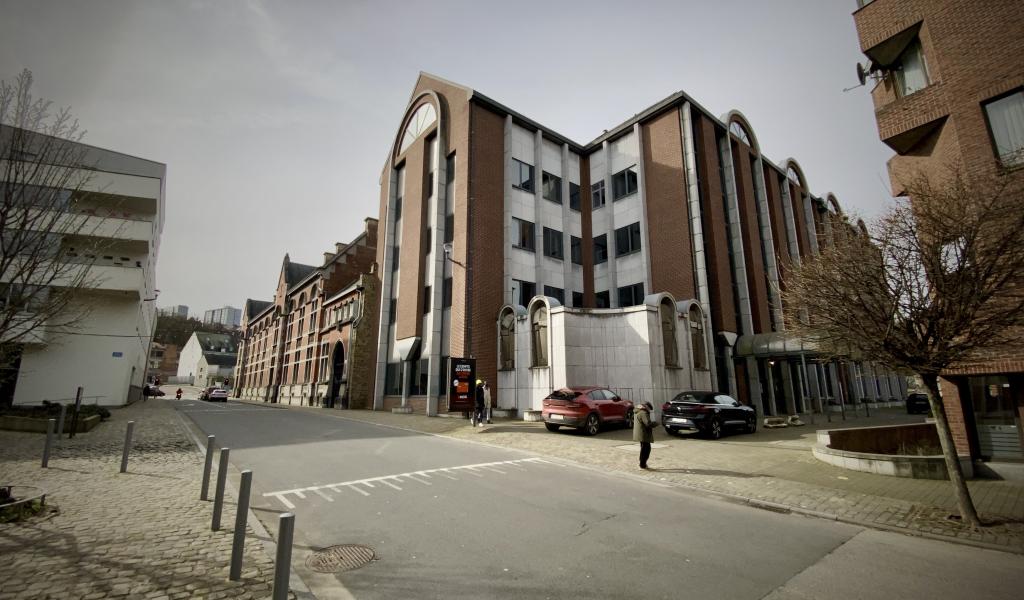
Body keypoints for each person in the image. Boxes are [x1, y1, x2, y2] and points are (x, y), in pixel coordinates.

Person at [633, 402, 655, 469]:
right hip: (643, 433)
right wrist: (656, 423)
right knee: (646, 449)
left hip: (640, 433)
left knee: (643, 448)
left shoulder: (638, 410)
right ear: (646, 407)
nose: (649, 411)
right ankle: (642, 464)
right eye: (649, 409)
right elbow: (648, 424)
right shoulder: (643, 413)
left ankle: (642, 464)